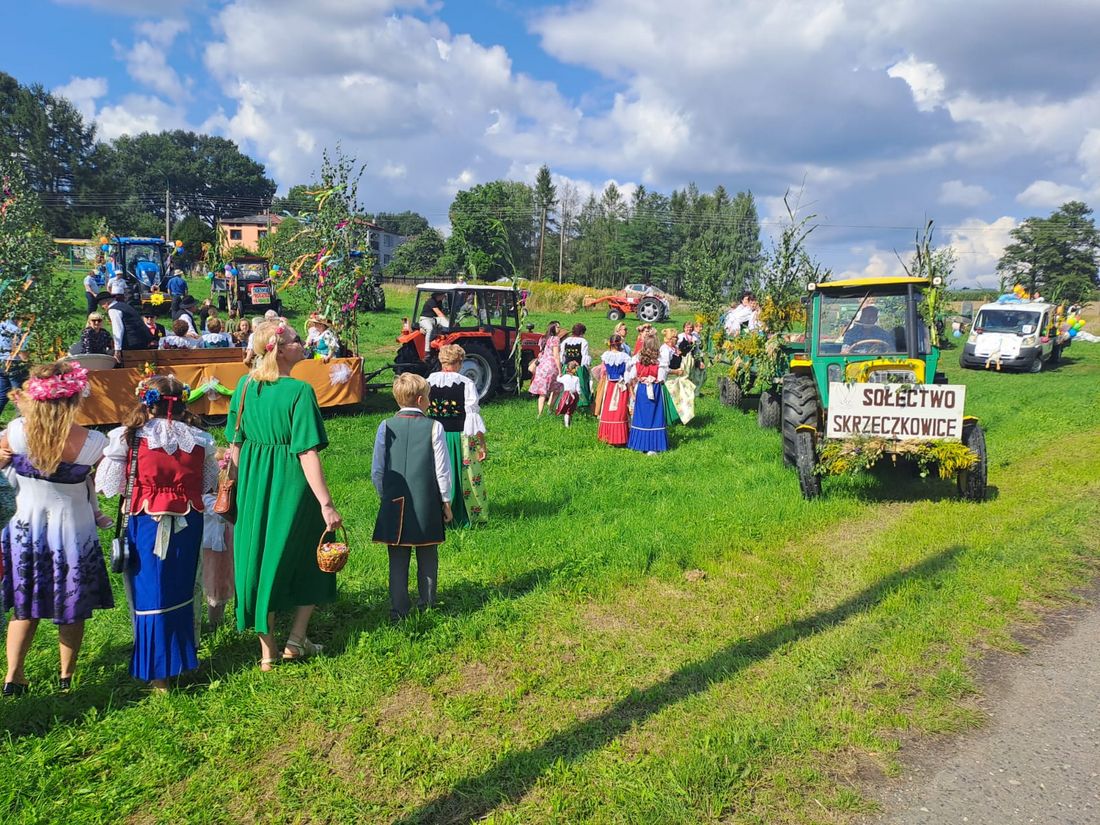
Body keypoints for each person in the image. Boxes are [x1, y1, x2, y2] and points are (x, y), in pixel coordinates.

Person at [228, 319, 343, 670]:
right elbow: (306, 452)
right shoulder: (299, 392)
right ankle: (296, 639)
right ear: (279, 349)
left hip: (253, 484)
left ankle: (268, 653)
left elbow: (234, 445)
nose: (302, 344)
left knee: (260, 559)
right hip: (292, 483)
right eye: (295, 340)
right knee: (313, 554)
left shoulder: (244, 388)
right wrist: (326, 503)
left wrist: (235, 491)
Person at [96, 375, 218, 691]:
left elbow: (111, 487)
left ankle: (159, 672)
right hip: (188, 523)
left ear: (147, 401)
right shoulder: (200, 439)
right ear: (183, 402)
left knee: (152, 594)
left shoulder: (128, 437)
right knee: (179, 592)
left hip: (146, 521)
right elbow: (207, 484)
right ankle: (179, 660)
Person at [1, 362, 112, 696]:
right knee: (70, 605)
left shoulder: (16, 432)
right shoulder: (94, 442)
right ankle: (66, 675)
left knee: (25, 606)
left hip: (26, 529)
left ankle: (13, 676)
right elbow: (108, 483)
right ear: (76, 398)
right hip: (73, 531)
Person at [371, 373, 452, 620]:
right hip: (426, 501)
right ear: (419, 400)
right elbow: (442, 468)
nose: (429, 402)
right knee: (428, 553)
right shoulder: (434, 426)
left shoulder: (385, 426)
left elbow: (378, 469)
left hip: (394, 502)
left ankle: (399, 610)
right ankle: (426, 604)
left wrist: (385, 495)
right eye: (428, 398)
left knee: (397, 558)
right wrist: (446, 501)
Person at [426, 344, 488, 528]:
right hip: (458, 437)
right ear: (460, 362)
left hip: (433, 436)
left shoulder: (428, 381)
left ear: (442, 361)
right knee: (462, 476)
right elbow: (473, 416)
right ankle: (462, 513)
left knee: (437, 473)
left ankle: (437, 514)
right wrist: (481, 444)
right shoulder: (466, 383)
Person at [199, 450, 234, 628]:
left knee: (225, 582)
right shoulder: (208, 500)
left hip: (227, 550)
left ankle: (220, 621)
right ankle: (214, 624)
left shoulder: (209, 499)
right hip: (214, 551)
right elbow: (222, 514)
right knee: (216, 585)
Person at [626, 337, 669, 455]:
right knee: (655, 417)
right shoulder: (660, 361)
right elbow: (661, 378)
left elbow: (631, 375)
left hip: (642, 390)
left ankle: (640, 445)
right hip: (654, 389)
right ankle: (653, 447)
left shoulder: (638, 359)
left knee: (641, 416)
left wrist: (641, 378)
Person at [596, 334, 632, 446]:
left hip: (610, 385)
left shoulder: (606, 356)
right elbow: (628, 374)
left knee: (608, 410)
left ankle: (607, 436)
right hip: (621, 386)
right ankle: (619, 438)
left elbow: (603, 371)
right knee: (620, 411)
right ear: (620, 344)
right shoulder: (625, 357)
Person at [98, 291, 154, 360]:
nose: (102, 308)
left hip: (132, 343)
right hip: (143, 339)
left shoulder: (113, 310)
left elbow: (118, 329)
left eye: (101, 305)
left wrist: (117, 350)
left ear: (105, 303)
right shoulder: (124, 305)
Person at [528, 321, 562, 416]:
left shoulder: (543, 338)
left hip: (541, 366)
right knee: (557, 389)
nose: (559, 329)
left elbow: (540, 353)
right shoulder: (555, 339)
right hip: (551, 367)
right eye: (558, 327)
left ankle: (539, 414)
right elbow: (556, 356)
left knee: (542, 392)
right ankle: (550, 409)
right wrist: (560, 370)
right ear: (553, 328)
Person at [560, 323, 593, 413]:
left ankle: (565, 404)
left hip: (567, 367)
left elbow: (562, 355)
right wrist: (585, 369)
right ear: (582, 332)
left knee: (566, 387)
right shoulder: (583, 342)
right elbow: (584, 357)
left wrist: (563, 365)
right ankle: (581, 404)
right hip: (579, 368)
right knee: (581, 387)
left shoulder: (565, 341)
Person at [664, 336, 697, 425]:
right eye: (674, 337)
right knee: (674, 399)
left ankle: (682, 416)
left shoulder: (674, 349)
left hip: (677, 378)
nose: (676, 339)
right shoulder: (665, 350)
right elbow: (664, 368)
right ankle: (671, 419)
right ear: (670, 339)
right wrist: (675, 371)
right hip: (669, 380)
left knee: (685, 396)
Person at [0, 319, 29, 415]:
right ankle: (21, 423)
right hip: (15, 362)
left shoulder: (3, 323)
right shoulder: (21, 329)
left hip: (2, 362)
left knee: (2, 395)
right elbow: (22, 351)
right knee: (20, 395)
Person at [556, 361, 581, 427]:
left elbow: (558, 379)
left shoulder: (564, 377)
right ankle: (569, 422)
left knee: (566, 410)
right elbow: (578, 389)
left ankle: (567, 424)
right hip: (574, 395)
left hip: (566, 395)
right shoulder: (577, 378)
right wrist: (578, 395)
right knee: (570, 410)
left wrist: (560, 373)